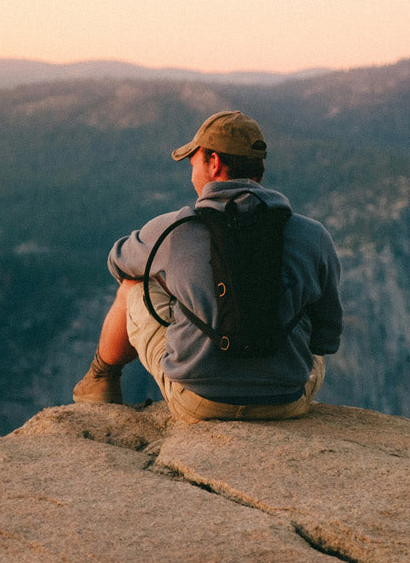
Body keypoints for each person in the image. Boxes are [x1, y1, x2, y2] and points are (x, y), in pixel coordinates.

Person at [72, 110, 342, 423]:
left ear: (213, 162)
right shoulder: (313, 235)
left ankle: (100, 382)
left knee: (133, 286)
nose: (191, 174)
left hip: (198, 403)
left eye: (194, 162)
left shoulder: (173, 230)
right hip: (284, 403)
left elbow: (118, 262)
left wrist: (183, 285)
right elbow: (326, 339)